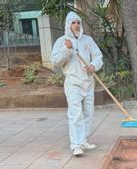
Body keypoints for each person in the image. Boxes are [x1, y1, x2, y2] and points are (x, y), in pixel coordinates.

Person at [51, 11, 103, 156]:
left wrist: (93, 65)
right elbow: (55, 61)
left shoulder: (88, 40)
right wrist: (67, 50)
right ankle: (75, 145)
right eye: (73, 23)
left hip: (88, 81)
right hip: (73, 82)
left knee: (89, 113)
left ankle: (83, 140)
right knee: (75, 114)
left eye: (78, 22)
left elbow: (98, 56)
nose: (76, 25)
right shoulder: (62, 41)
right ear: (68, 25)